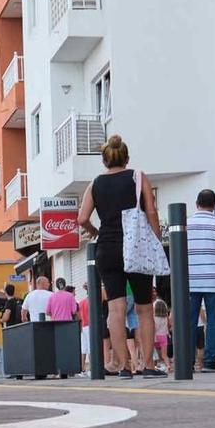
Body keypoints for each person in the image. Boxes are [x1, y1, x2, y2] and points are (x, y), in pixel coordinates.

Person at [79, 136, 167, 378]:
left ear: (104, 160)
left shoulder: (94, 184)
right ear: (126, 158)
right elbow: (150, 210)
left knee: (115, 310)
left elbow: (82, 218)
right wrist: (155, 239)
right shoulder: (137, 177)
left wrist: (96, 232)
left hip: (107, 248)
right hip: (135, 246)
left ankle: (123, 367)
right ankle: (148, 365)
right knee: (144, 308)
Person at [186, 189, 215, 370]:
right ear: (214, 205)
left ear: (197, 203)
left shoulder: (185, 224)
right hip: (214, 282)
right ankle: (210, 361)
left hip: (190, 282)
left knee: (189, 322)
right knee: (214, 321)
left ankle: (187, 361)